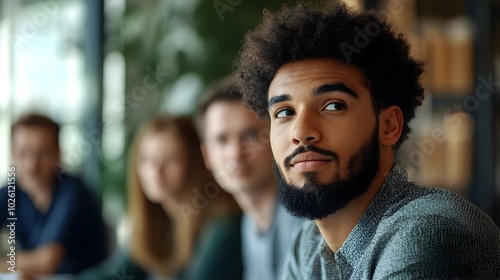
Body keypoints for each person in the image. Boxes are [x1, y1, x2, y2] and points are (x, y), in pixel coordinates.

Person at [234, 2, 500, 279]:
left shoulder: (425, 231)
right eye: (284, 112)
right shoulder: (309, 243)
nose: (300, 132)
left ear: (388, 126)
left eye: (333, 106)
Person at [84, 115, 242, 280]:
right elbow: (113, 275)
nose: (156, 171)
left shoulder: (222, 228)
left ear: (195, 162)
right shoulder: (157, 222)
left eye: (171, 159)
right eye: (147, 160)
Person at [197, 77, 304, 280]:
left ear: (276, 137)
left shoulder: (303, 218)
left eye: (250, 135)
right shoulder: (250, 224)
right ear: (207, 155)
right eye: (221, 140)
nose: (236, 153)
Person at [0, 114, 108, 276]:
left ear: (58, 154)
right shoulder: (11, 191)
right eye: (22, 153)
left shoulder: (72, 192)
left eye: (42, 153)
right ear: (12, 154)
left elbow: (46, 262)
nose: (31, 165)